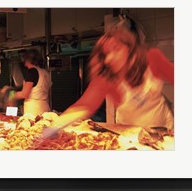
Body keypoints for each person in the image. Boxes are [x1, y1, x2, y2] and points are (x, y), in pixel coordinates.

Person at [45, 17, 174, 136]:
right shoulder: (106, 78)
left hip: (163, 131)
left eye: (116, 49)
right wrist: (52, 128)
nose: (109, 58)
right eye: (105, 54)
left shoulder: (153, 58)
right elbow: (83, 106)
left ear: (129, 48)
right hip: (129, 135)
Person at [5, 49, 52, 116]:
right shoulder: (46, 73)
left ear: (28, 59)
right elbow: (46, 93)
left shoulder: (32, 71)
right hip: (45, 107)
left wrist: (11, 95)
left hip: (33, 110)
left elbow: (25, 94)